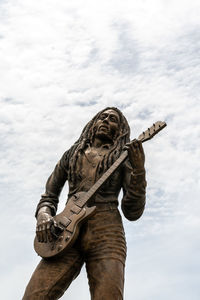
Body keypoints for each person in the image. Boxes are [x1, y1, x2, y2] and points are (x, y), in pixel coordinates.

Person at [23, 107, 147, 300]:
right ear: (92, 124)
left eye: (112, 119)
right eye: (102, 117)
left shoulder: (123, 158)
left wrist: (139, 171)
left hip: (107, 233)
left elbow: (132, 212)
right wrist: (44, 216)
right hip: (65, 230)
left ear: (120, 129)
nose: (106, 121)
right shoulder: (72, 154)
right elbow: (49, 196)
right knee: (34, 296)